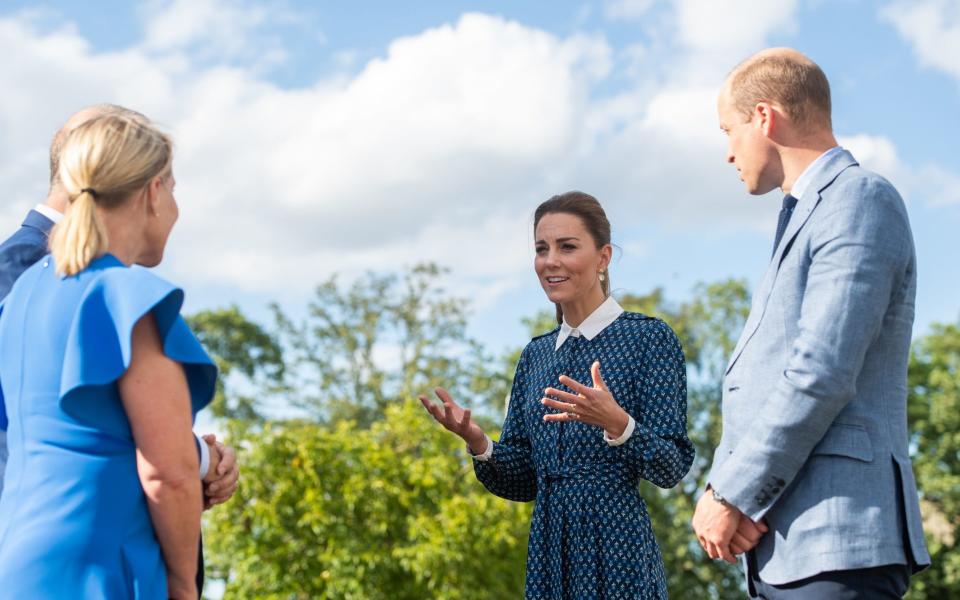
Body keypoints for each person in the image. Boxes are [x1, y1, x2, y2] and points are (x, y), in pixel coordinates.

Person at [692, 48, 930, 598]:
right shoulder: (804, 215)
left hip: (838, 541)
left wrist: (731, 494)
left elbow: (820, 371)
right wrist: (738, 498)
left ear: (765, 117)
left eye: (728, 130)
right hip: (783, 546)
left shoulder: (858, 198)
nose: (728, 153)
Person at [0, 104, 240, 593]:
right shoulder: (127, 298)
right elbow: (167, 473)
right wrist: (182, 583)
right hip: (97, 566)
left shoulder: (27, 292)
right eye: (172, 189)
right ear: (153, 192)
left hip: (22, 565)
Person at [421, 191, 694, 599]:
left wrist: (619, 424)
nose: (551, 261)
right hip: (549, 549)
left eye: (567, 247)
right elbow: (524, 479)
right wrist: (480, 444)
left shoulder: (648, 339)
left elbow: (671, 467)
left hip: (617, 547)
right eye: (541, 249)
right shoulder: (534, 356)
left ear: (603, 258)